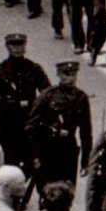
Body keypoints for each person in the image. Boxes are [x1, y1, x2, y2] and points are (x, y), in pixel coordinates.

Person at [0, 34, 50, 169]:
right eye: (13, 45)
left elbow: (48, 95)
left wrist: (43, 120)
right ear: (7, 47)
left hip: (30, 123)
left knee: (34, 166)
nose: (17, 49)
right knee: (11, 165)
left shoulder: (34, 69)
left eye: (20, 45)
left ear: (25, 46)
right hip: (9, 125)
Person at [26, 59, 93, 189]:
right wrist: (34, 156)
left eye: (73, 74)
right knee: (47, 192)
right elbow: (30, 127)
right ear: (59, 75)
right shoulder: (47, 95)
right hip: (48, 150)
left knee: (67, 192)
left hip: (69, 151)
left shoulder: (81, 97)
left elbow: (86, 131)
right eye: (66, 74)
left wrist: (85, 161)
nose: (71, 78)